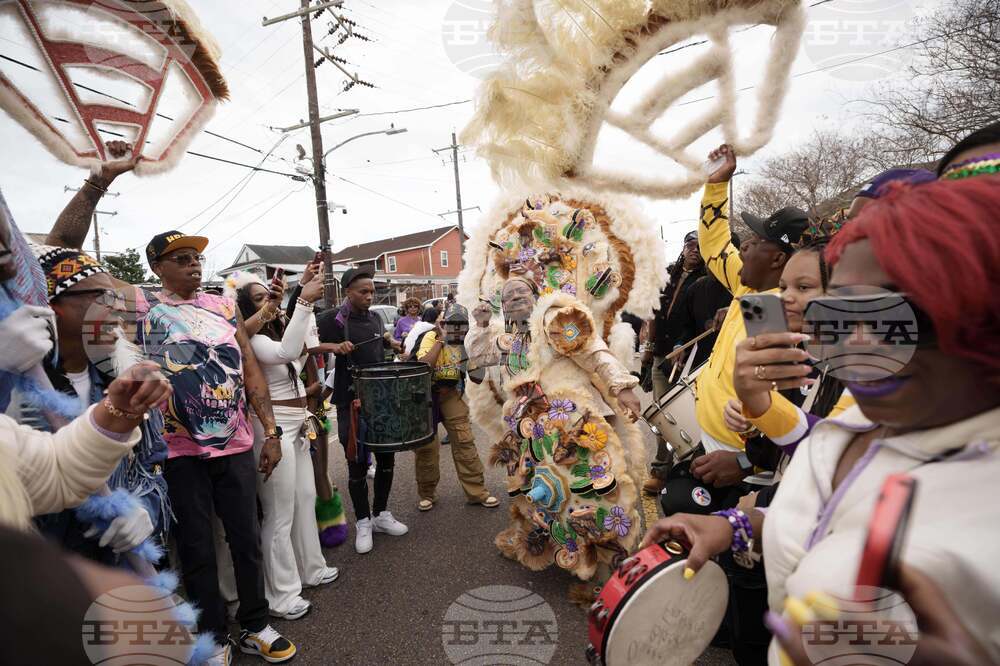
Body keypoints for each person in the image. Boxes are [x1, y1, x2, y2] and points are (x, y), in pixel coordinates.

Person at [643, 175, 1000, 665]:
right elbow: (812, 504)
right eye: (840, 296)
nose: (834, 321)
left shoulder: (976, 490)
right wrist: (734, 526)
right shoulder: (858, 424)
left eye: (879, 299)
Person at [141, 231, 295, 664]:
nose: (195, 265)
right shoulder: (145, 310)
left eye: (197, 258)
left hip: (235, 443)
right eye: (182, 259)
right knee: (196, 545)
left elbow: (249, 367)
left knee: (245, 537)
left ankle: (255, 625)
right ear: (158, 267)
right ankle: (213, 634)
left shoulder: (224, 307)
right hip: (177, 450)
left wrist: (271, 432)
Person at [670, 144, 808, 516]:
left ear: (778, 259)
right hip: (711, 442)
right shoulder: (751, 291)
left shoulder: (773, 313)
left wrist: (747, 463)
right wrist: (716, 186)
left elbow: (791, 414)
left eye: (758, 241)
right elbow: (714, 242)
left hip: (737, 466)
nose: (743, 246)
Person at [29, 245, 170, 566]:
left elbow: (151, 466)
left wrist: (142, 509)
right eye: (100, 298)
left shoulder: (125, 383)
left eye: (116, 299)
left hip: (120, 571)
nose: (116, 311)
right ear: (53, 306)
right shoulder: (17, 392)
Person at [230, 269, 339, 622]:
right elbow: (288, 349)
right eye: (260, 299)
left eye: (270, 296)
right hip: (272, 428)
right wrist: (304, 299)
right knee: (279, 513)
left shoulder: (275, 327)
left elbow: (298, 345)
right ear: (246, 308)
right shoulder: (254, 339)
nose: (270, 304)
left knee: (305, 498)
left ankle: (311, 568)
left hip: (298, 423)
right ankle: (281, 594)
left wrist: (296, 294)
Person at [317, 267, 408, 554]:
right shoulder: (332, 319)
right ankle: (363, 521)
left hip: (381, 399)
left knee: (386, 458)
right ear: (348, 292)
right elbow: (303, 344)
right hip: (350, 401)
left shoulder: (375, 317)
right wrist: (334, 346)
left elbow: (376, 342)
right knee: (356, 462)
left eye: (372, 291)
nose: (370, 296)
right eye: (363, 292)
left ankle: (381, 514)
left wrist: (389, 341)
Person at [642, 230, 731, 495]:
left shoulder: (706, 281)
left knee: (691, 417)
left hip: (694, 358)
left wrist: (685, 345)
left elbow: (693, 322)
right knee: (661, 415)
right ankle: (660, 469)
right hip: (663, 354)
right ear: (683, 248)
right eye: (690, 245)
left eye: (700, 246)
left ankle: (690, 473)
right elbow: (653, 314)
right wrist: (648, 350)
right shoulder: (668, 275)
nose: (694, 250)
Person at [411, 306, 499, 511]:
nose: (457, 330)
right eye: (452, 325)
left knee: (464, 441)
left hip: (450, 394)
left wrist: (476, 352)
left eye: (462, 326)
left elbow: (477, 379)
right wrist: (441, 340)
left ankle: (477, 493)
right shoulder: (430, 337)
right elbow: (424, 365)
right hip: (425, 397)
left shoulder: (464, 344)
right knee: (427, 448)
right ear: (443, 324)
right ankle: (427, 494)